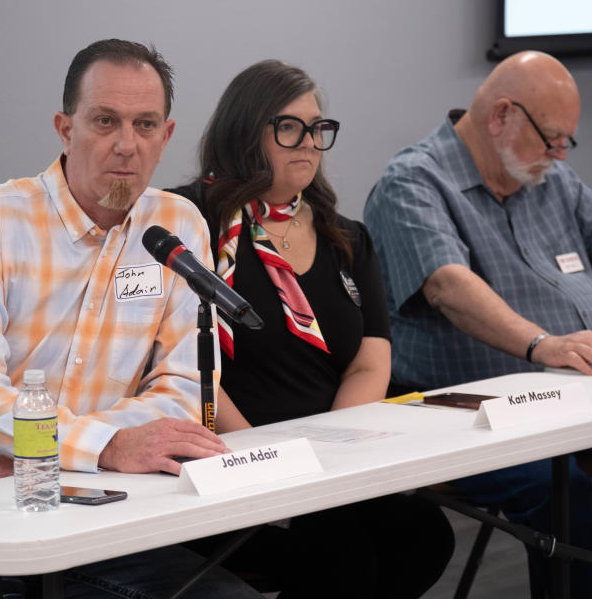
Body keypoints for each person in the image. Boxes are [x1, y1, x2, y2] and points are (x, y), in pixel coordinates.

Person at [0, 39, 265, 599]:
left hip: (84, 508)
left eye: (145, 125)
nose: (127, 145)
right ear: (65, 128)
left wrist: (59, 457)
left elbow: (181, 391)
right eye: (106, 121)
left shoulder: (177, 226)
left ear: (166, 136)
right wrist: (103, 446)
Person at [364, 50, 592, 594]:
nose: (561, 153)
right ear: (502, 115)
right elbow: (448, 286)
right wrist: (541, 344)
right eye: (552, 139)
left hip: (587, 402)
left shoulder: (552, 179)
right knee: (569, 495)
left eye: (568, 140)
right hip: (464, 413)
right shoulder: (414, 182)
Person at [168, 60, 454, 599]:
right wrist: (266, 456)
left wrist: (332, 452)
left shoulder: (346, 236)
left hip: (332, 459)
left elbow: (371, 358)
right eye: (288, 127)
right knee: (340, 557)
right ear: (245, 130)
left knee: (424, 537)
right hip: (231, 455)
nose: (308, 142)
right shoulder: (190, 220)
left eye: (317, 128)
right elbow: (178, 360)